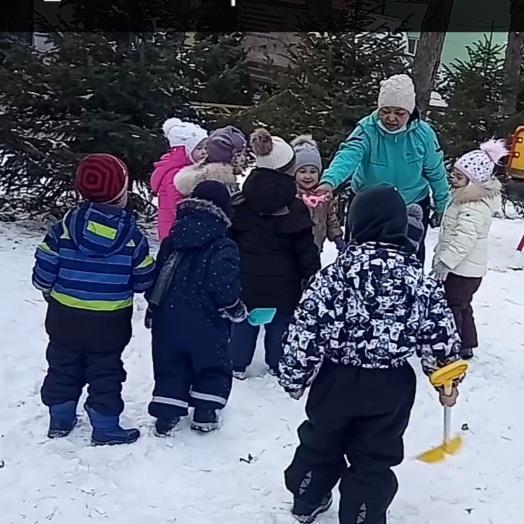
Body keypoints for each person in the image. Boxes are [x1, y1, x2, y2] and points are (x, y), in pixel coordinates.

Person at [278, 185, 462, 524]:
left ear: (354, 225)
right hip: (389, 385)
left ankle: (307, 496)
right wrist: (446, 375)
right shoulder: (419, 284)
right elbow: (438, 334)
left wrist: (295, 375)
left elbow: (306, 330)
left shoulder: (333, 278)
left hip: (336, 379)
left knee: (321, 439)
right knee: (374, 454)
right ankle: (363, 514)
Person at [32, 154, 155, 445]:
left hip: (64, 317)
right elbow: (144, 280)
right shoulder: (132, 238)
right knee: (106, 371)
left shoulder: (62, 229)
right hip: (109, 322)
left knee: (62, 365)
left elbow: (44, 269)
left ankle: (60, 419)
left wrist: (46, 287)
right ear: (122, 194)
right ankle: (105, 425)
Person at [316, 74, 450, 263]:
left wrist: (443, 206)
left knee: (407, 260)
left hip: (410, 205)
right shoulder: (366, 129)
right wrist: (329, 182)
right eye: (385, 111)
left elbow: (436, 172)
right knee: (357, 258)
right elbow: (348, 156)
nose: (391, 118)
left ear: (410, 112)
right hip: (368, 205)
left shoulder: (424, 135)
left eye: (399, 113)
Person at [147, 181, 247, 434]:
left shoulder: (173, 239)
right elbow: (222, 282)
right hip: (207, 319)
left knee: (170, 363)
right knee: (211, 362)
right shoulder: (223, 245)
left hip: (168, 317)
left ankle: (167, 413)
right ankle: (205, 409)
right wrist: (233, 306)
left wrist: (152, 306)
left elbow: (159, 274)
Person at [229, 129, 321, 380]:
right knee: (280, 323)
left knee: (245, 322)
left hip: (246, 279)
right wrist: (313, 273)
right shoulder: (295, 207)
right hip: (285, 283)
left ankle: (236, 363)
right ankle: (277, 361)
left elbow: (231, 240)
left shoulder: (240, 202)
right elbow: (305, 248)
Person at [433, 139, 507, 359]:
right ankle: (467, 343)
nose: (453, 180)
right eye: (453, 174)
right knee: (463, 305)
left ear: (473, 182)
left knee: (453, 306)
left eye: (459, 177)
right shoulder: (463, 200)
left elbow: (463, 240)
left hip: (462, 270)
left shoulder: (472, 207)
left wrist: (445, 262)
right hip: (466, 270)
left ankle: (452, 344)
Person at [151, 118, 208, 241]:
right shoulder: (176, 174)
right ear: (184, 150)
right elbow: (178, 207)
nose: (204, 152)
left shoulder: (185, 169)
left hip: (176, 232)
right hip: (176, 234)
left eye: (205, 148)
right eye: (199, 148)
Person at [291, 135, 345, 252]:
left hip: (316, 247)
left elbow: (331, 219)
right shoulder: (292, 195)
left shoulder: (323, 196)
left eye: (313, 171)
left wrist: (338, 238)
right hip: (293, 249)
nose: (308, 176)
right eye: (302, 171)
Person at [175, 125, 247, 197]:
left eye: (244, 154)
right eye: (238, 155)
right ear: (226, 156)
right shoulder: (219, 184)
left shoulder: (221, 178)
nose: (243, 158)